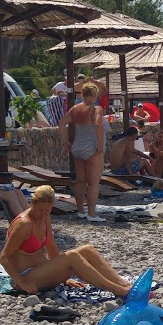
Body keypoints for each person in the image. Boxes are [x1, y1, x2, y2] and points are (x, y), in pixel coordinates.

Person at [1, 185, 131, 298]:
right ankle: (117, 290)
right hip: (24, 277)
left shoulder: (44, 218)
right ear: (32, 204)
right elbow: (4, 258)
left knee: (88, 249)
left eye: (48, 210)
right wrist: (22, 283)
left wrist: (63, 276)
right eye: (40, 210)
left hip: (41, 271)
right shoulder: (24, 224)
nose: (43, 214)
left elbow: (51, 250)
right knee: (72, 256)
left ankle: (124, 284)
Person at [62, 82, 106, 222]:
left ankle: (81, 211)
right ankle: (92, 214)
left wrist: (65, 142)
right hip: (91, 146)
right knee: (93, 182)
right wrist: (100, 144)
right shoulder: (96, 108)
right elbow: (98, 125)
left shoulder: (75, 109)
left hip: (77, 146)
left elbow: (61, 123)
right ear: (95, 94)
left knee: (80, 181)